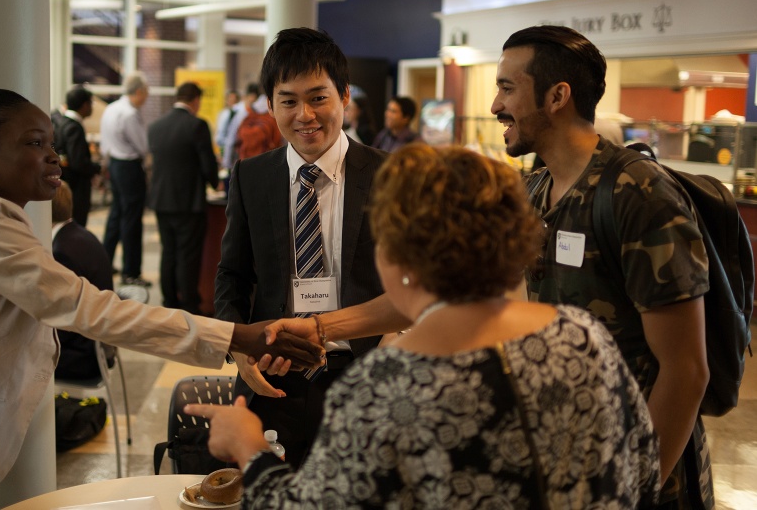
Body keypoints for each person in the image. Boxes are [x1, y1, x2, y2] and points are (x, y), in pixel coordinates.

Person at [0, 88, 322, 509]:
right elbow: (90, 309)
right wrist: (240, 335)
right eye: (34, 143)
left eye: (51, 142)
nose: (54, 156)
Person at [189, 145, 661, 508]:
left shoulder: (385, 389)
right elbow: (642, 467)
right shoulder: (584, 337)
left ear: (399, 256)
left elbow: (308, 504)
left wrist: (249, 447)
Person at [492, 25, 711, 508]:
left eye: (507, 88)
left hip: (640, 479)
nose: (494, 106)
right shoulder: (536, 189)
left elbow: (687, 370)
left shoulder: (639, 193)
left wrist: (631, 485)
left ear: (557, 96)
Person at [214, 28, 387, 468]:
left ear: (344, 96)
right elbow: (232, 275)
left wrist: (395, 340)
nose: (305, 115)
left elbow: (416, 282)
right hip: (274, 372)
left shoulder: (391, 174)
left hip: (366, 370)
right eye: (288, 101)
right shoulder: (251, 177)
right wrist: (238, 345)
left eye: (318, 98)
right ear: (270, 105)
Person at [148, 82, 219, 315]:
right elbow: (207, 164)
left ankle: (169, 300)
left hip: (161, 199)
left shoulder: (156, 126)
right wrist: (214, 182)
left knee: (168, 251)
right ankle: (189, 304)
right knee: (188, 254)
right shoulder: (196, 125)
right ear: (195, 100)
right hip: (188, 201)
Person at [51, 181, 114, 380]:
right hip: (98, 343)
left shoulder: (62, 251)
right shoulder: (79, 234)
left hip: (84, 355)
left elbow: (65, 321)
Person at [100, 73, 151, 287]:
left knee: (116, 215)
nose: (146, 98)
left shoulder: (111, 108)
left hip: (114, 164)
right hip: (129, 167)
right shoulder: (130, 113)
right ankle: (131, 272)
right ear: (138, 92)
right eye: (146, 94)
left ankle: (105, 262)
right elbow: (142, 146)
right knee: (132, 220)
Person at [53, 85, 101, 227]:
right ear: (85, 105)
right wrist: (97, 168)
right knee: (77, 223)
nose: (92, 107)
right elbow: (78, 162)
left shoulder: (61, 122)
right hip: (76, 188)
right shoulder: (74, 126)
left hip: (68, 183)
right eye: (91, 103)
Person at [234, 84, 283, 160]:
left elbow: (234, 138)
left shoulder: (245, 113)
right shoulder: (275, 113)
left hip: (246, 160)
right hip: (269, 159)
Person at [214, 89, 240, 161]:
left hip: (236, 150)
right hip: (224, 148)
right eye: (230, 100)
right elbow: (219, 134)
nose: (232, 103)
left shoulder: (240, 114)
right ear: (227, 101)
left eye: (234, 101)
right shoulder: (223, 114)